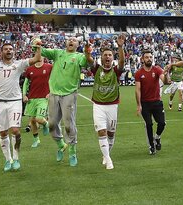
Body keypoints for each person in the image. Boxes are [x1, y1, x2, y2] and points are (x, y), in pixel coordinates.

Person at [0, 36, 42, 172]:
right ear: (1, 52)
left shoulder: (19, 64)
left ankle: (16, 158)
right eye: (6, 49)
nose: (8, 51)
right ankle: (8, 160)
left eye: (10, 49)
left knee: (16, 131)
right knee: (2, 133)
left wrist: (38, 47)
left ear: (14, 52)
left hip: (15, 102)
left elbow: (36, 59)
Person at [40, 35, 93, 166]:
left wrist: (87, 52)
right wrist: (36, 42)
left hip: (69, 94)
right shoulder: (58, 53)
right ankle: (60, 144)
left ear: (77, 45)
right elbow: (41, 51)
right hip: (53, 93)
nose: (71, 41)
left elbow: (89, 62)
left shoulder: (79, 56)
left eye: (74, 40)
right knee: (51, 124)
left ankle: (72, 151)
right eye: (69, 39)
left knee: (69, 125)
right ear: (65, 42)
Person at [89, 35, 126, 170]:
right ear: (101, 57)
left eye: (110, 55)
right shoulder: (96, 69)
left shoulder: (116, 71)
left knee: (111, 134)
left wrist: (120, 47)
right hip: (98, 106)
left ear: (113, 57)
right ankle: (109, 160)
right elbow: (89, 60)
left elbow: (122, 62)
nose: (108, 57)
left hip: (112, 106)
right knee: (102, 131)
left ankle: (106, 155)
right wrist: (87, 51)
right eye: (105, 55)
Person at [135, 49, 166, 155]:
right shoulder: (139, 73)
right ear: (142, 59)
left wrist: (166, 75)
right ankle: (151, 146)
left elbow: (164, 79)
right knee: (149, 124)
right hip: (145, 103)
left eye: (150, 57)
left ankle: (157, 137)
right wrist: (139, 105)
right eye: (147, 57)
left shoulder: (157, 69)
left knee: (162, 123)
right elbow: (137, 89)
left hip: (157, 102)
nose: (149, 59)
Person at [22, 47, 53, 148]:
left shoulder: (49, 67)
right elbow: (26, 83)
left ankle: (46, 124)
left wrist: (51, 92)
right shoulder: (29, 69)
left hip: (44, 97)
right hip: (31, 98)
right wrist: (24, 94)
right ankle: (36, 139)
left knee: (39, 119)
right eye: (37, 53)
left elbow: (54, 80)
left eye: (40, 53)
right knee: (32, 121)